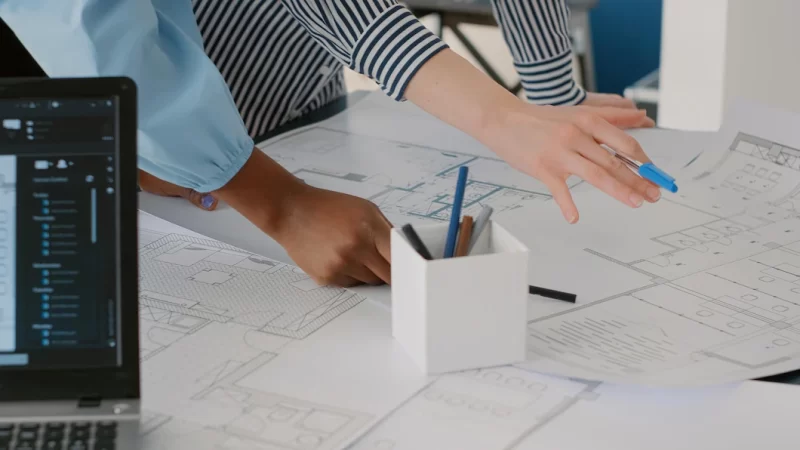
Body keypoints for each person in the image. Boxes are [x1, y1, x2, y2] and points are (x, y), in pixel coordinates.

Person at [0, 0, 658, 287]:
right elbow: (88, 26)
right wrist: (275, 200)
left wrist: (545, 96)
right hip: (153, 108)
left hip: (297, 102)